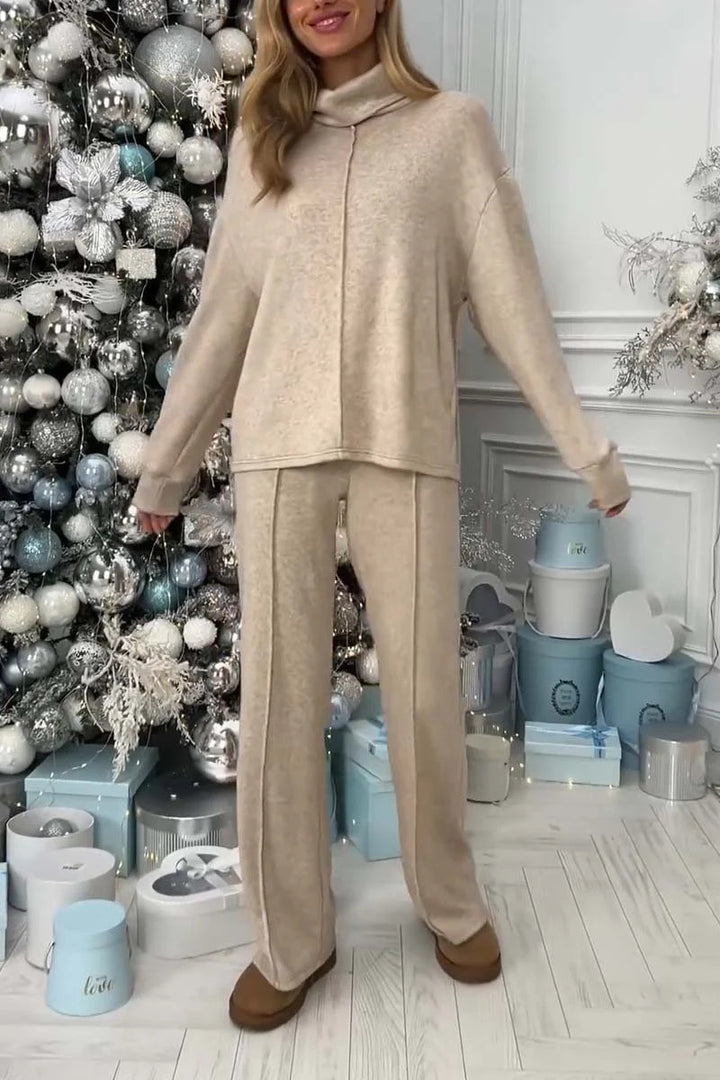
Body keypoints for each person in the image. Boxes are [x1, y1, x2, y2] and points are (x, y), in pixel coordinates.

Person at [134, 0, 630, 1033]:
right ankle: (291, 938)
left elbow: (512, 298)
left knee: (422, 694)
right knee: (279, 699)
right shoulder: (263, 140)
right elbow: (224, 310)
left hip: (406, 442)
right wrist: (168, 469)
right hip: (280, 448)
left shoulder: (451, 131)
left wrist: (585, 445)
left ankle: (448, 900)